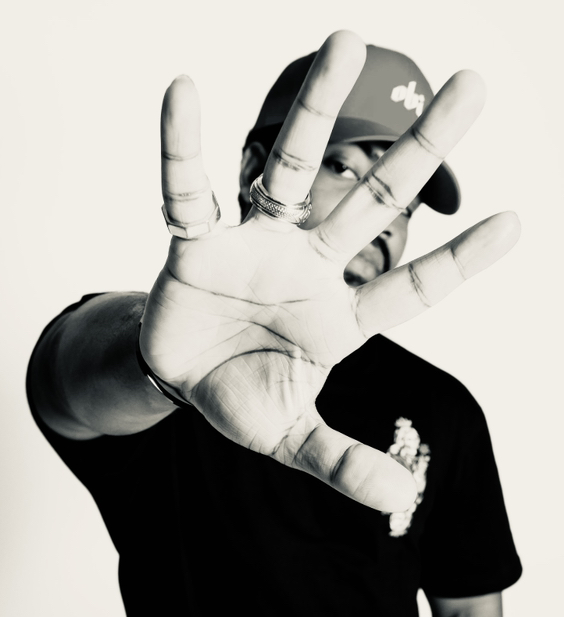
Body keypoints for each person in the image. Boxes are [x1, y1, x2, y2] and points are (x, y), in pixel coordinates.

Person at [27, 31, 522, 616]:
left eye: (405, 206)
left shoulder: (444, 408)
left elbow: (466, 606)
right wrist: (156, 368)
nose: (387, 220)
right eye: (345, 167)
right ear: (253, 171)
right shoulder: (173, 357)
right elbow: (61, 387)